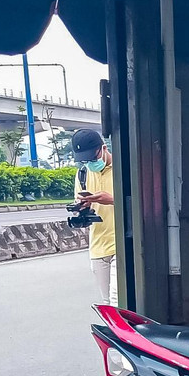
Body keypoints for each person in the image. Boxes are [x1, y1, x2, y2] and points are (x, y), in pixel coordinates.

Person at [71, 128, 117, 306]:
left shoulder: (124, 169)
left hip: (121, 244)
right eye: (85, 160)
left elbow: (140, 203)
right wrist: (82, 207)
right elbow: (79, 204)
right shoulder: (82, 174)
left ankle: (121, 335)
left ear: (104, 148)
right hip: (98, 246)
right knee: (107, 303)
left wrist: (113, 200)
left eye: (93, 158)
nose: (90, 163)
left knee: (116, 301)